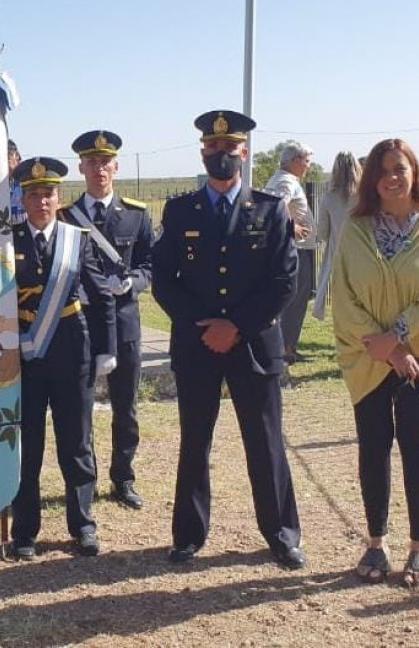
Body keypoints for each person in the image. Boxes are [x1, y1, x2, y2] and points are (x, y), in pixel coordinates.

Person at [152, 110, 306, 570]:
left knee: (265, 442)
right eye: (213, 148)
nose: (221, 155)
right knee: (194, 441)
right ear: (203, 152)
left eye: (230, 148)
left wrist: (235, 326)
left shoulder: (270, 209)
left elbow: (284, 281)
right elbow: (164, 279)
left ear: (244, 152)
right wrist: (206, 325)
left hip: (255, 345)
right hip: (198, 346)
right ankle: (188, 535)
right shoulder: (181, 211)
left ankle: (281, 534)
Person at [332, 138, 419, 588]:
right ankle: (375, 542)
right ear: (372, 179)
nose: (391, 177)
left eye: (399, 168)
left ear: (414, 172)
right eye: (382, 170)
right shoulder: (356, 229)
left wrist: (400, 338)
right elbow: (343, 298)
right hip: (369, 358)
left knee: (417, 447)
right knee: (373, 446)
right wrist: (387, 348)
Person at [6, 157, 116, 560]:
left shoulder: (77, 238)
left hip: (72, 351)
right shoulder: (7, 240)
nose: (41, 201)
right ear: (23, 197)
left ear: (59, 197)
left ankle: (83, 524)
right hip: (24, 357)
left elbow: (101, 294)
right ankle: (25, 532)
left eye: (48, 193)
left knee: (76, 443)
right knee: (27, 447)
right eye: (33, 193)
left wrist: (108, 349)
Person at [61, 130, 154, 509]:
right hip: (80, 325)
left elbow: (151, 265)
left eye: (106, 162)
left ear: (116, 166)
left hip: (125, 322)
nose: (99, 169)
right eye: (92, 162)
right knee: (79, 411)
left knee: (125, 407)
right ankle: (84, 483)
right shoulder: (66, 217)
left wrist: (131, 282)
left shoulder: (137, 214)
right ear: (81, 167)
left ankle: (123, 478)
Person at [265, 141, 317, 364]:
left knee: (295, 297)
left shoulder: (286, 180)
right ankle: (285, 348)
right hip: (294, 249)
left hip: (297, 248)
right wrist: (291, 227)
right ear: (295, 161)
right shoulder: (286, 181)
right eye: (306, 161)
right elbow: (276, 206)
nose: (308, 166)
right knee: (295, 298)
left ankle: (287, 346)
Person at [312, 151, 360, 320]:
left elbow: (323, 233)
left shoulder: (329, 198)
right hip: (364, 255)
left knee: (342, 301)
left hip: (338, 256)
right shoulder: (365, 196)